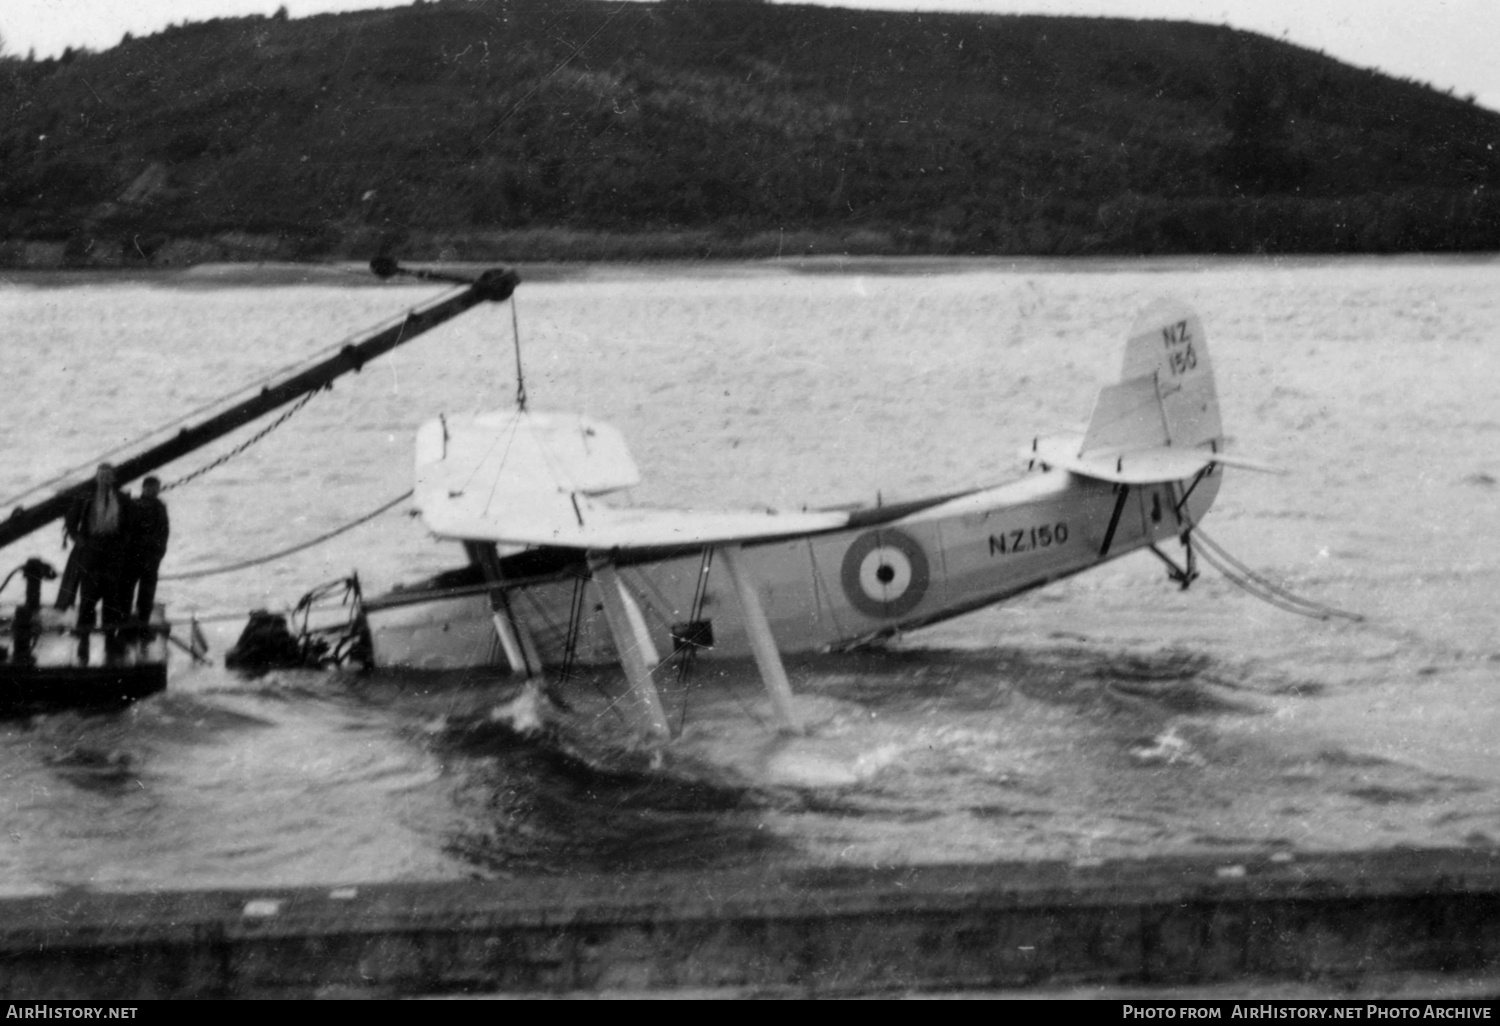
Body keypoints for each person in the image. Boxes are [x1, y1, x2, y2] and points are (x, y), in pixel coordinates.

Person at [66, 464, 130, 665]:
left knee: (112, 597)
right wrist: (79, 540)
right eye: (100, 476)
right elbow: (71, 522)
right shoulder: (85, 498)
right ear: (96, 478)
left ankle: (110, 640)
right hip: (91, 548)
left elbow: (129, 525)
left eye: (107, 476)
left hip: (112, 549)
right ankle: (83, 641)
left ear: (113, 479)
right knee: (88, 597)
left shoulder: (122, 499)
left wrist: (122, 545)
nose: (104, 480)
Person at [123, 475, 170, 643]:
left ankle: (143, 625)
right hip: (133, 556)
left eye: (155, 488)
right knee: (127, 592)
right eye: (150, 488)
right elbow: (127, 530)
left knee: (147, 595)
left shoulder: (160, 507)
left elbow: (164, 532)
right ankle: (126, 627)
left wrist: (159, 554)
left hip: (151, 559)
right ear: (143, 488)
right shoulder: (133, 505)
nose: (153, 491)